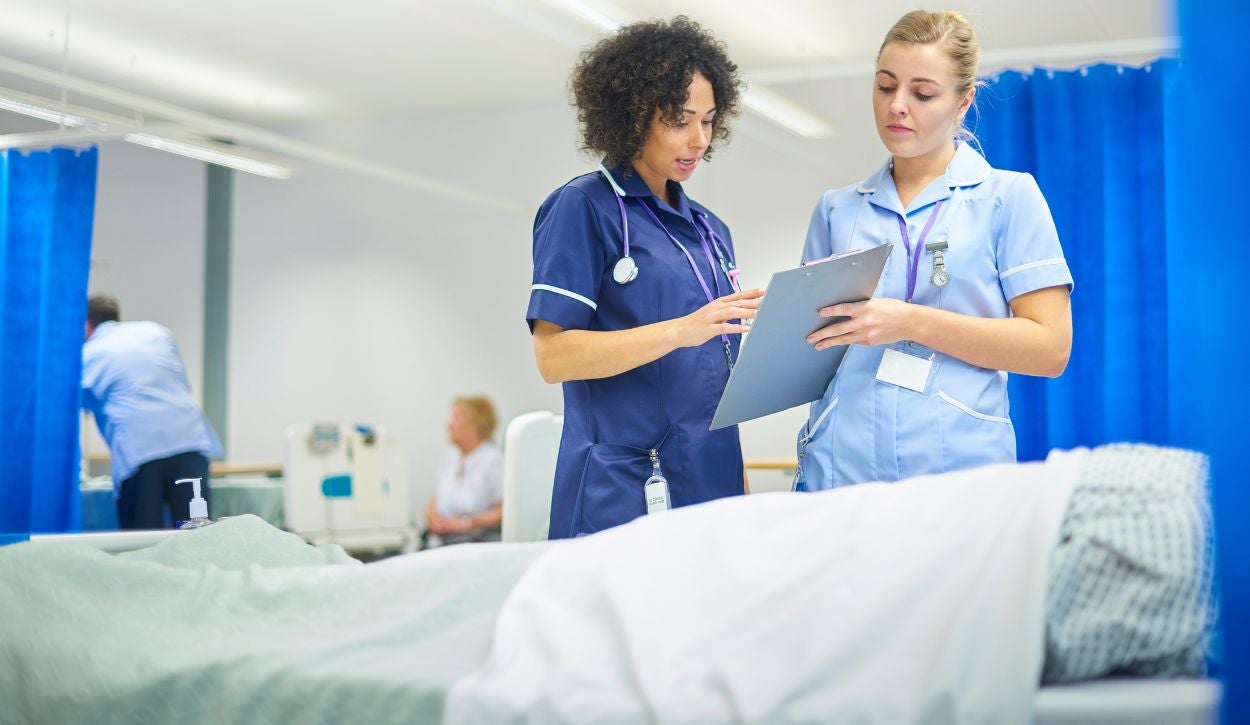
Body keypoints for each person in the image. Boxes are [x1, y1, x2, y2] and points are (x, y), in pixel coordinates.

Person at [796, 10, 1074, 490]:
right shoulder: (837, 210)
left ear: (964, 101)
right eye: (885, 87)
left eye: (922, 93)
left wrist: (908, 321)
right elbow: (809, 350)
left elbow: (1050, 350)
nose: (897, 106)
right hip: (841, 469)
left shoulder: (1006, 198)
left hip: (960, 469)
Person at [527, 17, 762, 539]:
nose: (699, 140)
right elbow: (553, 356)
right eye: (680, 120)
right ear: (633, 116)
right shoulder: (583, 207)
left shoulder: (710, 229)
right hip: (626, 487)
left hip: (712, 479)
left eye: (708, 120)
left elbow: (712, 378)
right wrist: (681, 330)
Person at [81, 294, 222, 528]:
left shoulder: (90, 353)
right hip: (190, 440)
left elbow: (71, 404)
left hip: (141, 452)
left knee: (143, 541)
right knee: (198, 534)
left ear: (86, 326)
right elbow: (179, 382)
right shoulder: (156, 332)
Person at [423, 396, 504, 547]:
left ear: (475, 425)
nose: (448, 425)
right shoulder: (450, 457)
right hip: (443, 541)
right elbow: (435, 500)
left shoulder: (494, 461)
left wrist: (465, 523)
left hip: (476, 543)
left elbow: (504, 511)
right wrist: (435, 519)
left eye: (456, 418)